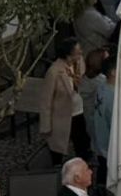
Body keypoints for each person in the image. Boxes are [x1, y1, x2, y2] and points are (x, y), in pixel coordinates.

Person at [40, 38, 86, 166]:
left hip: (79, 111)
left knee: (81, 143)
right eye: (77, 52)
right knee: (58, 148)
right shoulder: (54, 72)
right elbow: (46, 100)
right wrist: (46, 125)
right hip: (62, 116)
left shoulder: (79, 63)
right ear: (68, 54)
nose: (81, 53)